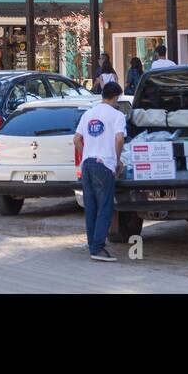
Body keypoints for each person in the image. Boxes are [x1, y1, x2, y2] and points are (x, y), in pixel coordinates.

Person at [74, 82, 127, 262]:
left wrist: (86, 153)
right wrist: (117, 159)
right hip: (104, 165)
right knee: (104, 207)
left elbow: (76, 139)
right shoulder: (118, 115)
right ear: (116, 97)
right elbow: (119, 138)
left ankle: (92, 245)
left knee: (91, 207)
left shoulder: (88, 114)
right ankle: (98, 248)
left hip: (87, 164)